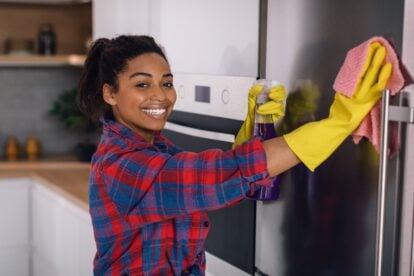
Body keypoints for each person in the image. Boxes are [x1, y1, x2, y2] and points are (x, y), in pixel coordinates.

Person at [77, 35, 392, 275]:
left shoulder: (157, 150)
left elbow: (229, 181)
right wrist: (336, 124)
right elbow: (216, 176)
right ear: (110, 93)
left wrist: (254, 131)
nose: (160, 95)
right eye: (142, 84)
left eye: (167, 82)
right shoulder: (122, 166)